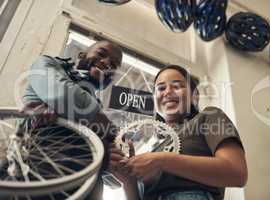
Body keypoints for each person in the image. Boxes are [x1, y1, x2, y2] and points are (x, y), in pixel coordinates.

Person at [108, 65, 248, 200]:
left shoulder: (208, 116)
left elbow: (236, 172)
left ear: (195, 96)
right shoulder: (154, 148)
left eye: (177, 86)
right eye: (161, 88)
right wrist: (128, 181)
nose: (168, 92)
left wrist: (161, 160)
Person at [20, 40, 123, 200]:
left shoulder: (98, 108)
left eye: (114, 65)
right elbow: (63, 94)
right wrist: (111, 132)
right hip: (36, 175)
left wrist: (115, 155)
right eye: (101, 54)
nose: (106, 63)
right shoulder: (47, 63)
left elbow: (113, 177)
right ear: (82, 55)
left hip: (84, 188)